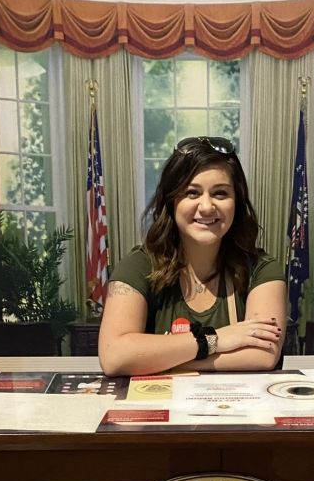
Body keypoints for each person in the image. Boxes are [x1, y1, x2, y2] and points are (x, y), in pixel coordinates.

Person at [98, 136, 286, 376]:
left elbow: (262, 354)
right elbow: (114, 356)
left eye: (220, 193)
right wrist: (215, 339)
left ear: (237, 202)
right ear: (171, 201)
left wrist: (159, 360)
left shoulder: (262, 269)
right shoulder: (139, 265)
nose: (206, 207)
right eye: (192, 193)